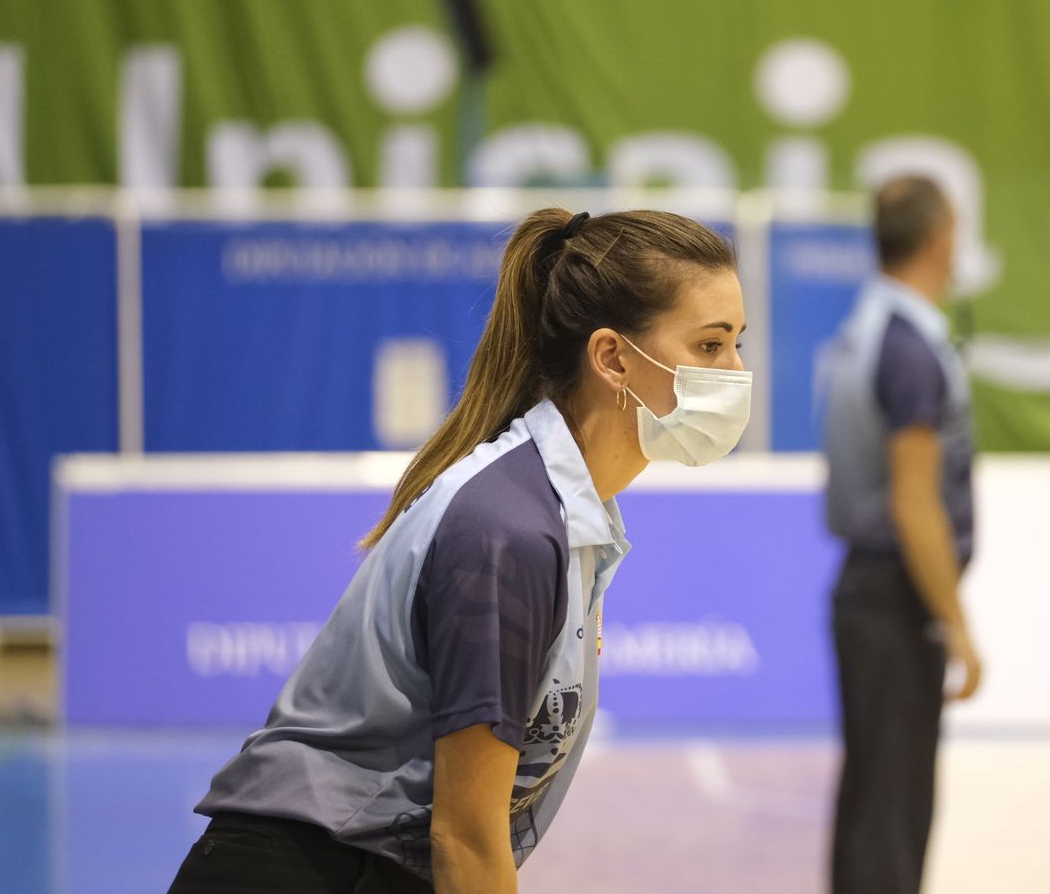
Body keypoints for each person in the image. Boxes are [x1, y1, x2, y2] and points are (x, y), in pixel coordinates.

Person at [167, 207, 750, 894]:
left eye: (740, 343)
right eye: (711, 347)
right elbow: (466, 837)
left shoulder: (567, 517)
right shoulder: (508, 529)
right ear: (613, 358)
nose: (737, 371)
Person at [820, 175, 983, 894]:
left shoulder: (866, 327)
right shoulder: (911, 347)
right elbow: (917, 505)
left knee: (873, 800)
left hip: (869, 594)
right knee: (893, 809)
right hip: (895, 601)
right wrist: (956, 623)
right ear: (944, 237)